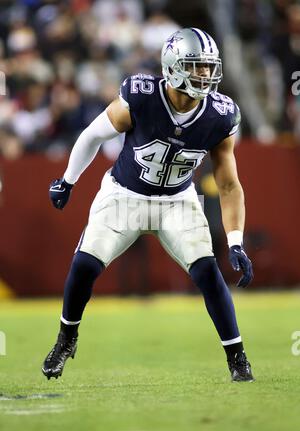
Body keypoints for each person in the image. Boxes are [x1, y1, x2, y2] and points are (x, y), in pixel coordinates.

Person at [42, 28, 254, 382]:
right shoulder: (141, 96)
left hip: (177, 200)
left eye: (208, 67)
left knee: (207, 272)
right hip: (124, 195)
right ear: (173, 66)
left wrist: (236, 241)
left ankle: (237, 358)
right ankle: (66, 339)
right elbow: (94, 134)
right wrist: (68, 179)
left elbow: (229, 183)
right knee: (84, 266)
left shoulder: (220, 115)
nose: (205, 74)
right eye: (196, 66)